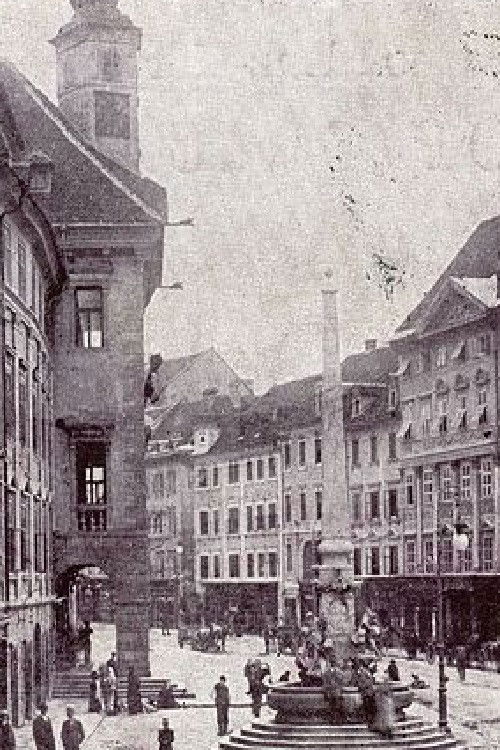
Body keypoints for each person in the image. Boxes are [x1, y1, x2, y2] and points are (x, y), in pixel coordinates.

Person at [322, 654, 346, 724]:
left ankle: (336, 719)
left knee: (336, 706)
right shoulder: (328, 672)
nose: (333, 663)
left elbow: (341, 682)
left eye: (333, 661)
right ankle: (334, 719)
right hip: (332, 692)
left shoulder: (336, 672)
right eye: (332, 661)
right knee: (333, 706)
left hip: (335, 692)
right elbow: (325, 683)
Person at [355, 662, 376, 728]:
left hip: (368, 693)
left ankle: (369, 721)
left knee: (369, 708)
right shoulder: (365, 673)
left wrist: (362, 686)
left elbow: (367, 682)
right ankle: (369, 721)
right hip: (367, 694)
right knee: (368, 708)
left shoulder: (364, 673)